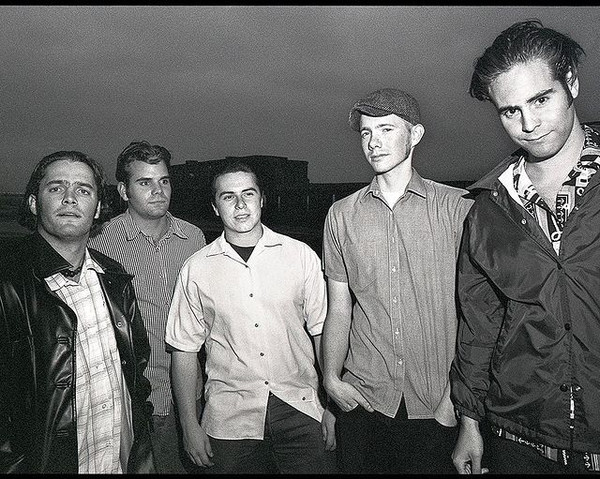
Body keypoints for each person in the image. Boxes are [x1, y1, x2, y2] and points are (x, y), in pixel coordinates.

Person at [450, 20, 600, 475]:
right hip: (519, 437)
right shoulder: (487, 209)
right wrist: (469, 421)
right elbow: (479, 325)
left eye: (540, 100)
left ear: (571, 83)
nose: (528, 125)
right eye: (510, 111)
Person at [321, 88, 473, 474]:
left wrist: (458, 403)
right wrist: (331, 381)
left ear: (415, 135)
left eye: (386, 130)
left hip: (438, 406)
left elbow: (479, 316)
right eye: (366, 132)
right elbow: (339, 308)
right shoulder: (341, 215)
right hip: (363, 402)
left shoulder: (458, 208)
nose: (374, 142)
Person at [165, 160, 337, 474]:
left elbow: (322, 333)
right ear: (215, 207)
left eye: (248, 193)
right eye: (228, 196)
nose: (240, 204)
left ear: (262, 199)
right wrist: (189, 424)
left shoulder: (300, 256)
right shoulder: (196, 268)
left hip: (301, 410)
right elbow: (184, 351)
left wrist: (332, 405)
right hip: (229, 420)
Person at [0, 151, 155, 473]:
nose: (70, 198)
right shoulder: (8, 280)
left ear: (97, 208)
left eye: (83, 190)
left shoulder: (114, 278)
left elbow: (135, 374)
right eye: (56, 188)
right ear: (33, 203)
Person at [89, 140, 206, 474]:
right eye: (145, 182)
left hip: (192, 395)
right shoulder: (100, 242)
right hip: (136, 400)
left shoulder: (194, 239)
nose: (158, 191)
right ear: (123, 191)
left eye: (164, 180)